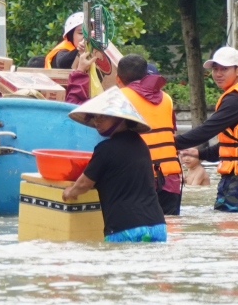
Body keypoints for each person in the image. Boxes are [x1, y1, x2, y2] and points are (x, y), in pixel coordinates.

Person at [173, 46, 238, 211]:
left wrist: (170, 143)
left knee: (229, 228)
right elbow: (236, 145)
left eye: (224, 69)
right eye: (215, 69)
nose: (218, 74)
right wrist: (201, 154)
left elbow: (207, 130)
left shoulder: (235, 99)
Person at [60, 89, 167, 243]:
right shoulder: (141, 145)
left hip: (125, 228)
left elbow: (84, 183)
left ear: (120, 118)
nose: (97, 121)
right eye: (95, 117)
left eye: (103, 117)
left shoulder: (104, 149)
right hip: (157, 226)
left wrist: (70, 192)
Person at [114, 54, 183, 215]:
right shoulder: (167, 99)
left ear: (118, 79)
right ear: (146, 76)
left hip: (138, 180)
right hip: (170, 180)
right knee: (170, 231)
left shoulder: (119, 99)